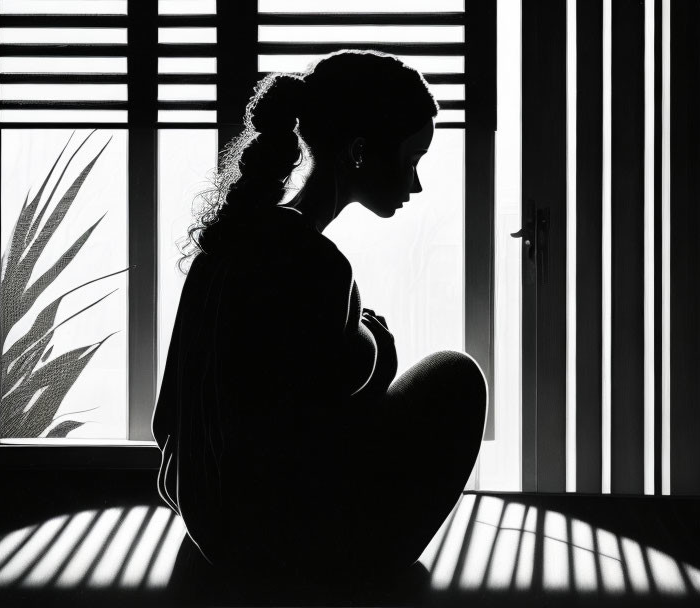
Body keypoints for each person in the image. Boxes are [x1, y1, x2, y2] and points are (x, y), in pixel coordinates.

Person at [152, 49, 487, 588]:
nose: (417, 184)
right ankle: (358, 571)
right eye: (409, 161)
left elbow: (169, 417)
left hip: (211, 527)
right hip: (289, 544)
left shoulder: (228, 240)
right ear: (358, 152)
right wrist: (378, 353)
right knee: (457, 376)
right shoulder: (314, 264)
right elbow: (315, 440)